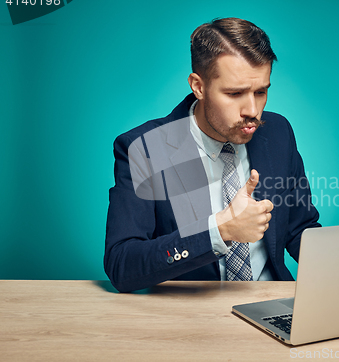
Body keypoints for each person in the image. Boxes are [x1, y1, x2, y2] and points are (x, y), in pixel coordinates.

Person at [104, 17, 320, 292]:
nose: (252, 111)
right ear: (198, 86)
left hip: (271, 304)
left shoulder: (278, 133)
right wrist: (220, 230)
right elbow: (122, 265)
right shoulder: (144, 148)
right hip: (190, 317)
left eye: (261, 91)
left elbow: (299, 228)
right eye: (234, 93)